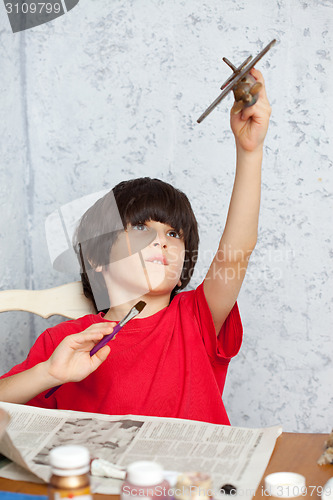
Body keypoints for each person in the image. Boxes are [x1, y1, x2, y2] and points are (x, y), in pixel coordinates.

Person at [0, 69, 271, 425]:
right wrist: (48, 373)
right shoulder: (62, 340)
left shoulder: (195, 317)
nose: (162, 240)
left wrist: (249, 151)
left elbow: (236, 252)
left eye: (174, 234)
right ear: (98, 256)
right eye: (141, 227)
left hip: (193, 481)